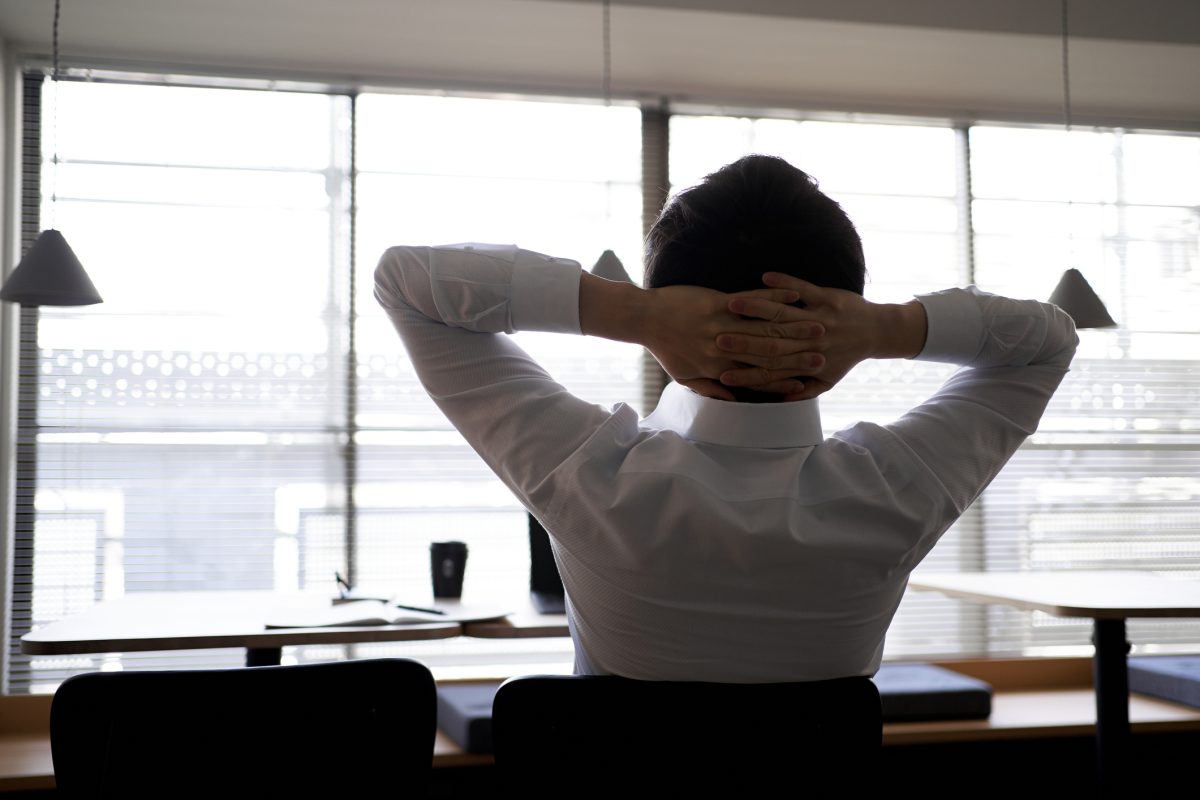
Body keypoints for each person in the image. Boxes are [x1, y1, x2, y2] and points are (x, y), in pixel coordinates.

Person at [373, 154, 1078, 683]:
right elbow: (1047, 342)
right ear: (841, 311)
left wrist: (635, 314)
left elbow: (404, 282)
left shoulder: (587, 474)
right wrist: (885, 329)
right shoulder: (900, 490)